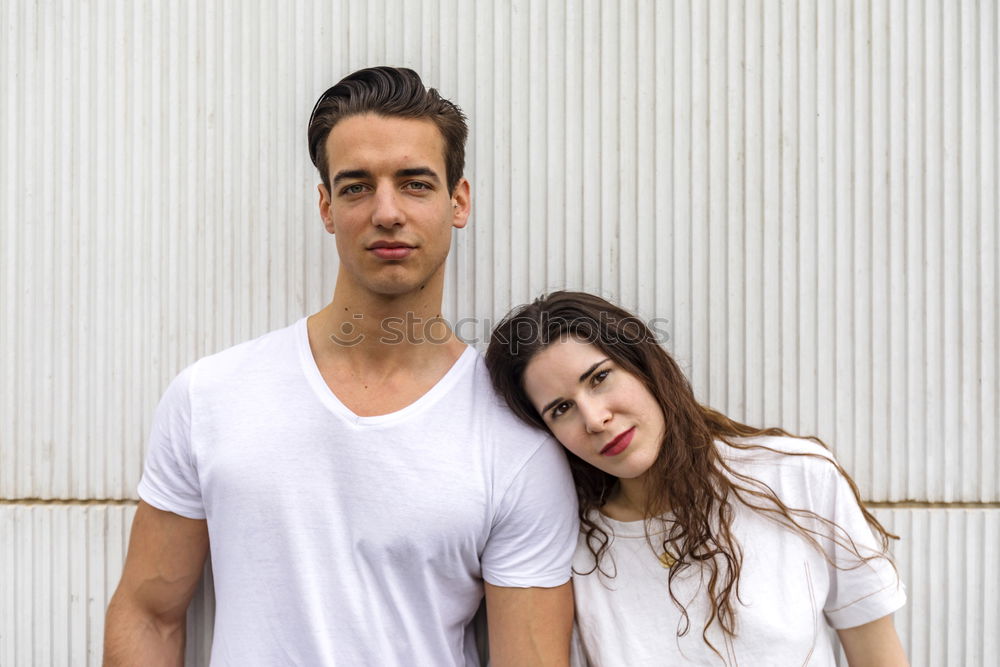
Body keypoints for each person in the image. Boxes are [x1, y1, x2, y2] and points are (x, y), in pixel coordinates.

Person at [103, 67, 578, 666]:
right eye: (356, 187)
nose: (386, 212)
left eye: (415, 184)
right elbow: (148, 614)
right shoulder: (211, 397)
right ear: (326, 207)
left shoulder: (516, 440)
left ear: (458, 201)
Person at [484, 291, 908, 666]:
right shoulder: (568, 543)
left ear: (645, 366)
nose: (595, 419)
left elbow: (876, 653)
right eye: (561, 409)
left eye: (599, 378)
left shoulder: (795, 478)